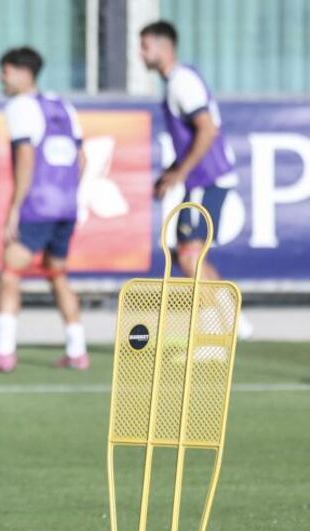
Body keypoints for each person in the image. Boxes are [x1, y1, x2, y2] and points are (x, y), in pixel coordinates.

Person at [0, 47, 88, 372]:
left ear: (23, 73)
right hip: (66, 206)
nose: (0, 78)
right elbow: (82, 158)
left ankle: (4, 351)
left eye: (4, 71)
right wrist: (70, 192)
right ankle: (78, 350)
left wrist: (15, 208)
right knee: (58, 273)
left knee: (9, 272)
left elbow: (25, 159)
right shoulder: (63, 105)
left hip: (38, 206)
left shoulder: (20, 106)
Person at [139, 20, 252, 337]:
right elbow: (194, 135)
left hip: (207, 178)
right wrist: (171, 172)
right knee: (186, 254)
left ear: (165, 47)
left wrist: (180, 172)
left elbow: (207, 129)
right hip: (201, 178)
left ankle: (219, 333)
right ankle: (230, 325)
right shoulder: (177, 80)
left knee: (190, 256)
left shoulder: (181, 82)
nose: (140, 53)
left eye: (145, 46)